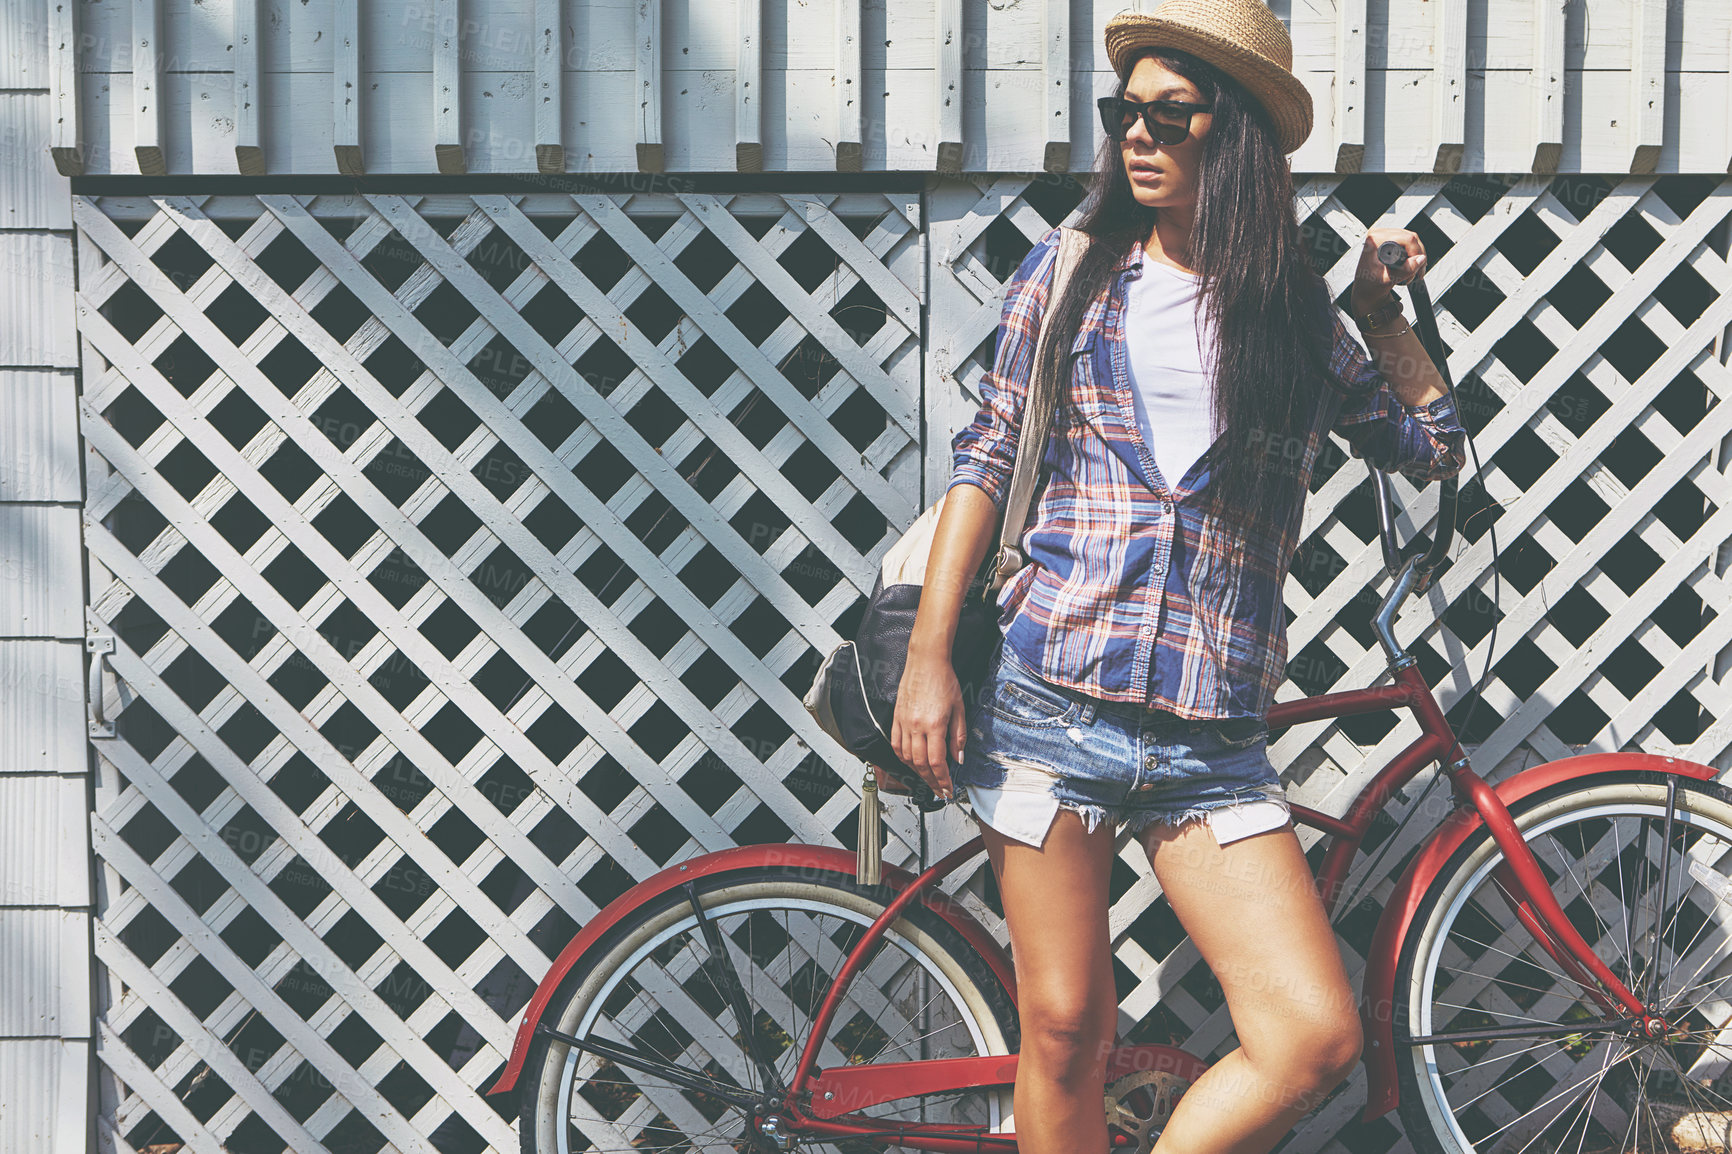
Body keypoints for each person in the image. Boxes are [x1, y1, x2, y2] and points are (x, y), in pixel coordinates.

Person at [888, 2, 1469, 1152]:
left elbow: (1430, 439)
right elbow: (986, 457)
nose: (1135, 138)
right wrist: (925, 657)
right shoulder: (1073, 272)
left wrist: (1377, 311)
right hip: (1053, 701)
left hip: (1210, 736)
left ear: (1235, 133)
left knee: (1310, 1036)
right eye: (1122, 115)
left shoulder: (1294, 317)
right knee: (1063, 1029)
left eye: (1168, 115)